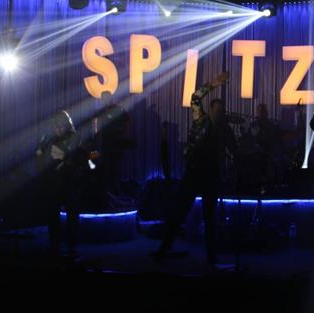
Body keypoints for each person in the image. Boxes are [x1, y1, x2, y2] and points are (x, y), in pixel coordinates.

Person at [153, 71, 236, 265]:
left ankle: (211, 257)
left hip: (211, 175)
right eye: (216, 110)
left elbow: (234, 149)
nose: (219, 113)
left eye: (221, 111)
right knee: (179, 213)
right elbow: (195, 97)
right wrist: (215, 83)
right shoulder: (201, 120)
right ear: (211, 109)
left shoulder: (225, 130)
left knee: (210, 218)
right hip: (194, 172)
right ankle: (163, 250)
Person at [35, 110, 85, 257]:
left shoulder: (76, 136)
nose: (57, 129)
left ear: (66, 125)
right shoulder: (50, 139)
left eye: (60, 126)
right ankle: (54, 245)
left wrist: (66, 157)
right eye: (55, 126)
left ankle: (72, 247)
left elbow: (91, 156)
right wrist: (40, 154)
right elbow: (42, 160)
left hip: (71, 183)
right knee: (53, 216)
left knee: (72, 217)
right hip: (54, 184)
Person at [98, 92, 135, 197]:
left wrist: (122, 132)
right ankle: (107, 192)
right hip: (105, 144)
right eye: (103, 98)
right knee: (105, 167)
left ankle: (115, 192)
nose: (105, 100)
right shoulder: (101, 111)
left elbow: (127, 121)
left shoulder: (118, 109)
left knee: (115, 168)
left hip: (116, 144)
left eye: (106, 98)